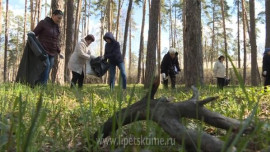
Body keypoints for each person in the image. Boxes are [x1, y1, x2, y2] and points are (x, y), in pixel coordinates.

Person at [33, 10, 64, 85]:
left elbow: (55, 41)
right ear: (53, 15)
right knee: (46, 67)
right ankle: (43, 86)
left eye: (61, 19)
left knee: (48, 69)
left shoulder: (56, 27)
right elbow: (34, 34)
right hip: (43, 51)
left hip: (52, 53)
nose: (60, 20)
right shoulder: (43, 23)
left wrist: (59, 51)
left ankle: (38, 84)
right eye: (58, 18)